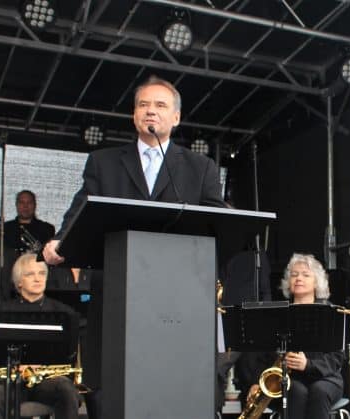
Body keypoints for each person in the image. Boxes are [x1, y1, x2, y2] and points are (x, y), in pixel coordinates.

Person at [42, 76, 226, 418]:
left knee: (173, 390)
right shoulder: (104, 161)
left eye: (160, 106)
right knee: (116, 391)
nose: (150, 112)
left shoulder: (201, 168)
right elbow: (82, 207)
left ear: (176, 118)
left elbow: (217, 219)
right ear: (133, 115)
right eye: (143, 105)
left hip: (177, 298)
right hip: (117, 291)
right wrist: (61, 241)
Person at [241, 253, 344, 419]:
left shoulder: (330, 312)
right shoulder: (278, 314)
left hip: (326, 378)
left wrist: (308, 365)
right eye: (294, 275)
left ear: (317, 281)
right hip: (290, 380)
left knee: (319, 391)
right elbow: (263, 354)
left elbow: (337, 357)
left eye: (305, 274)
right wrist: (256, 382)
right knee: (296, 391)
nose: (298, 278)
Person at [0, 253, 80, 419]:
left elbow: (69, 354)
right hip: (11, 381)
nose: (37, 279)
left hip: (48, 381)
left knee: (67, 390)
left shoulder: (63, 313)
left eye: (41, 274)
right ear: (19, 282)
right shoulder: (2, 313)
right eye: (30, 274)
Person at [2, 190, 56, 255]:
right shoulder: (4, 229)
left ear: (35, 205)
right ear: (16, 205)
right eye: (22, 202)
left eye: (29, 202)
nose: (25, 206)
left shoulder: (47, 229)